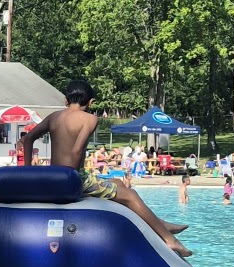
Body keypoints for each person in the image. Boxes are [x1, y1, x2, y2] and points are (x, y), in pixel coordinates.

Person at [21, 82, 190, 255]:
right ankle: (170, 240)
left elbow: (28, 139)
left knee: (118, 183)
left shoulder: (54, 117)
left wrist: (27, 172)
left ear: (65, 100)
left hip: (55, 177)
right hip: (72, 178)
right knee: (131, 195)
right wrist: (70, 180)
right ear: (91, 102)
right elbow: (76, 150)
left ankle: (160, 224)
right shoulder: (89, 119)